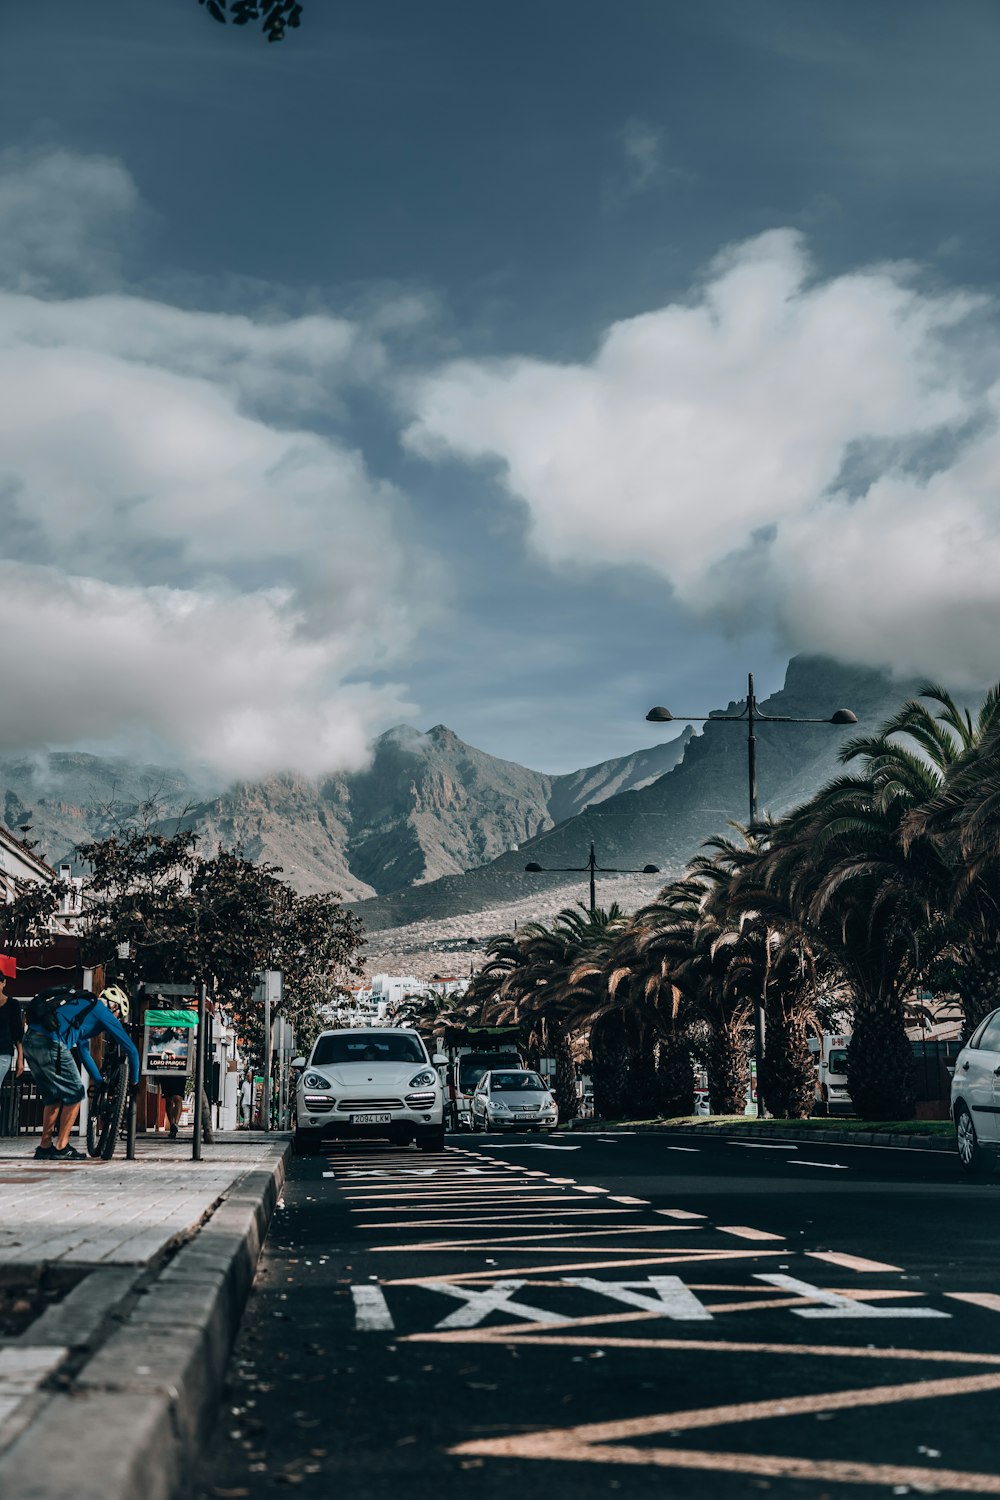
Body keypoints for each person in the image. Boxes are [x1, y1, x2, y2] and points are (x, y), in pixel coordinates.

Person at [23, 984, 141, 1161]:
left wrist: (98, 1081)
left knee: (53, 1097)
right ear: (115, 1006)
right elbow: (131, 1050)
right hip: (51, 1043)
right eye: (119, 1015)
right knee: (76, 1093)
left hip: (30, 1041)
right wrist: (134, 1082)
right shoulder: (103, 1012)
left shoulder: (83, 1006)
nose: (117, 1019)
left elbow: (83, 1053)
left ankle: (44, 1147)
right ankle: (62, 1147)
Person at [0, 972, 24, 1133]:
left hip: (3, 1053)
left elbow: (18, 1033)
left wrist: (20, 1058)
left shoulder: (12, 1005)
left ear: (3, 983)